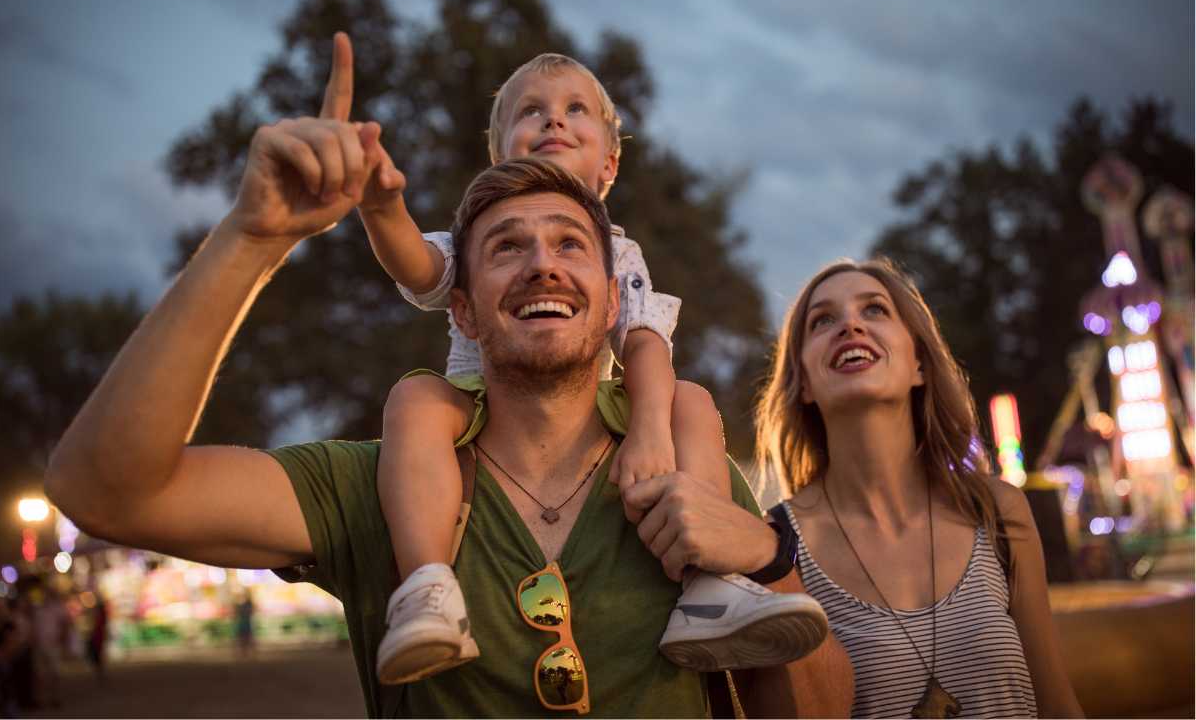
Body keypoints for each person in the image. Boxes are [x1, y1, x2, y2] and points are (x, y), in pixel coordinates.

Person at [44, 39, 852, 717]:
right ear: (460, 309)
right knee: (416, 397)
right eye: (506, 245)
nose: (542, 262)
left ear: (614, 300)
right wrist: (254, 237)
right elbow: (105, 492)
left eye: (572, 244)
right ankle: (428, 591)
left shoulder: (685, 469)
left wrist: (767, 558)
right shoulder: (379, 485)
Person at [355, 39, 825, 683]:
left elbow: (645, 342)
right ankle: (428, 591)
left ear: (609, 162)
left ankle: (710, 585)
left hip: (584, 410)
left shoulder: (620, 254)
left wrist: (651, 429)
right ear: (499, 158)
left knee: (687, 399)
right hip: (475, 403)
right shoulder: (475, 235)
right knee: (414, 400)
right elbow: (417, 264)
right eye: (530, 111)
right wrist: (381, 207)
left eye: (576, 108)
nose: (553, 119)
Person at [754, 257, 1084, 718]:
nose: (850, 325)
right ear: (804, 382)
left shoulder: (997, 510)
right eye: (823, 320)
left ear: (919, 364)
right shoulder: (777, 547)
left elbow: (1058, 705)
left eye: (874, 310)